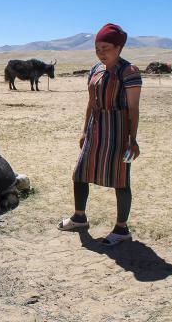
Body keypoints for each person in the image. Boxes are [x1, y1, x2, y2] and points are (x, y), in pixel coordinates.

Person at [58, 23, 142, 246]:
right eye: (97, 48)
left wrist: (132, 139)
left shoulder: (129, 71)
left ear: (118, 47)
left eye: (105, 47)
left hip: (119, 130)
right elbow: (90, 102)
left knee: (121, 179)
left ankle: (121, 229)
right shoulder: (96, 70)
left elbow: (133, 107)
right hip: (96, 127)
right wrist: (85, 130)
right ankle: (79, 217)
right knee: (80, 173)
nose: (100, 52)